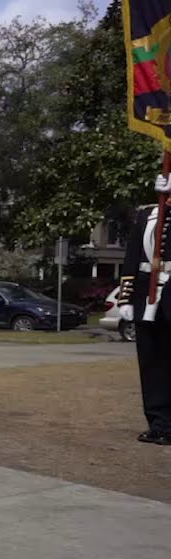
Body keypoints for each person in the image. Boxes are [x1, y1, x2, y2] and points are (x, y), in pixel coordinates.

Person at [117, 175, 171, 445]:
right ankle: (159, 424)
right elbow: (131, 256)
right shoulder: (147, 214)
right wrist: (125, 299)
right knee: (150, 364)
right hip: (146, 295)